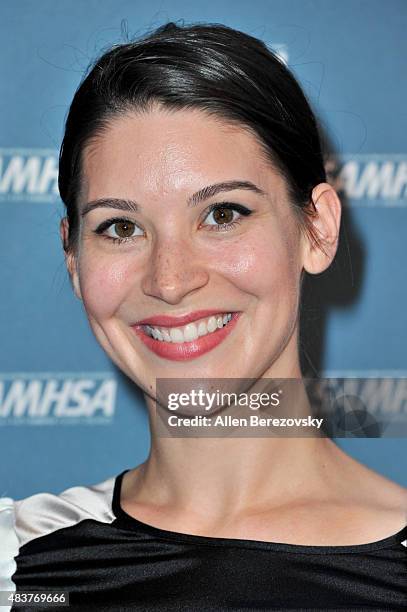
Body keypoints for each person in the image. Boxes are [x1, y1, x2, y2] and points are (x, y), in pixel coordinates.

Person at [1, 21, 406, 611]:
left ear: (316, 230)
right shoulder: (18, 559)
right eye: (121, 227)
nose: (170, 280)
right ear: (73, 258)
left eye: (222, 214)